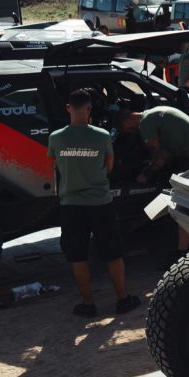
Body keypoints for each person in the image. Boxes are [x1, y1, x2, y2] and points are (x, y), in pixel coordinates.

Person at [48, 89, 134, 320]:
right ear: (89, 109)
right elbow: (110, 167)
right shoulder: (102, 136)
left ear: (68, 108)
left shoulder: (56, 137)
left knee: (78, 256)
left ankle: (88, 305)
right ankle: (123, 299)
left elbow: (54, 166)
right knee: (112, 253)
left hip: (70, 204)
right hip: (100, 203)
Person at [123, 103, 189, 184]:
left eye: (126, 130)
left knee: (178, 186)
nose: (131, 132)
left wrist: (145, 175)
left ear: (127, 123)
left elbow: (160, 157)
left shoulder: (145, 123)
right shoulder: (154, 111)